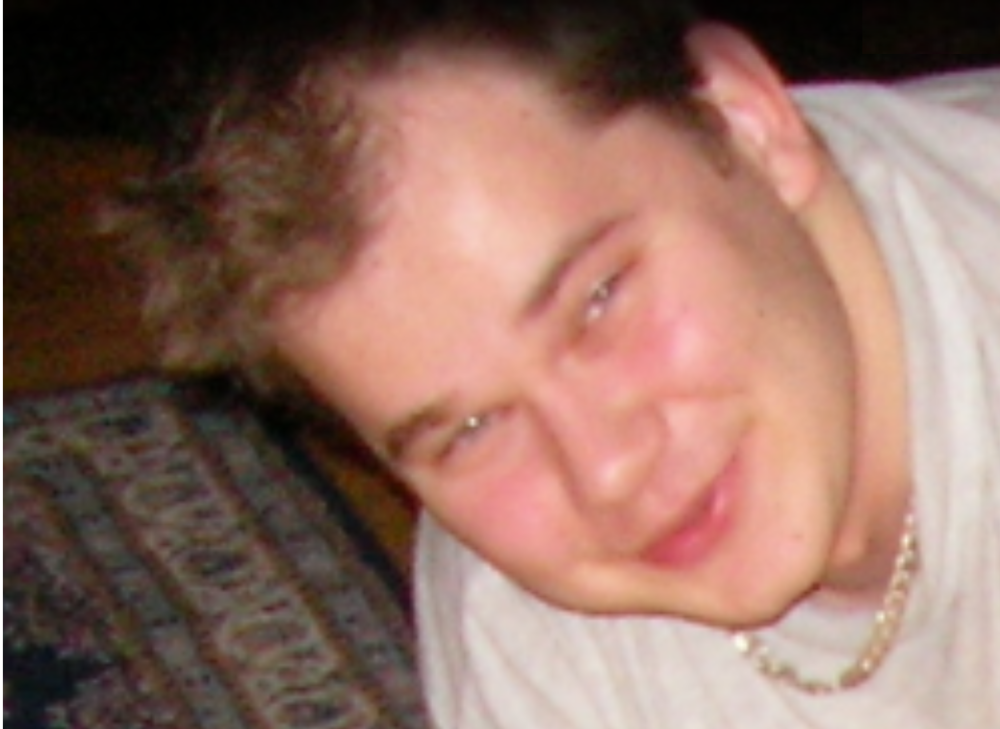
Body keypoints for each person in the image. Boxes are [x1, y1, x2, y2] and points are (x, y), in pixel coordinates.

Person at [112, 0, 1000, 725]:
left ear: (744, 119)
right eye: (471, 430)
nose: (606, 470)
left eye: (598, 300)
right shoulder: (520, 628)